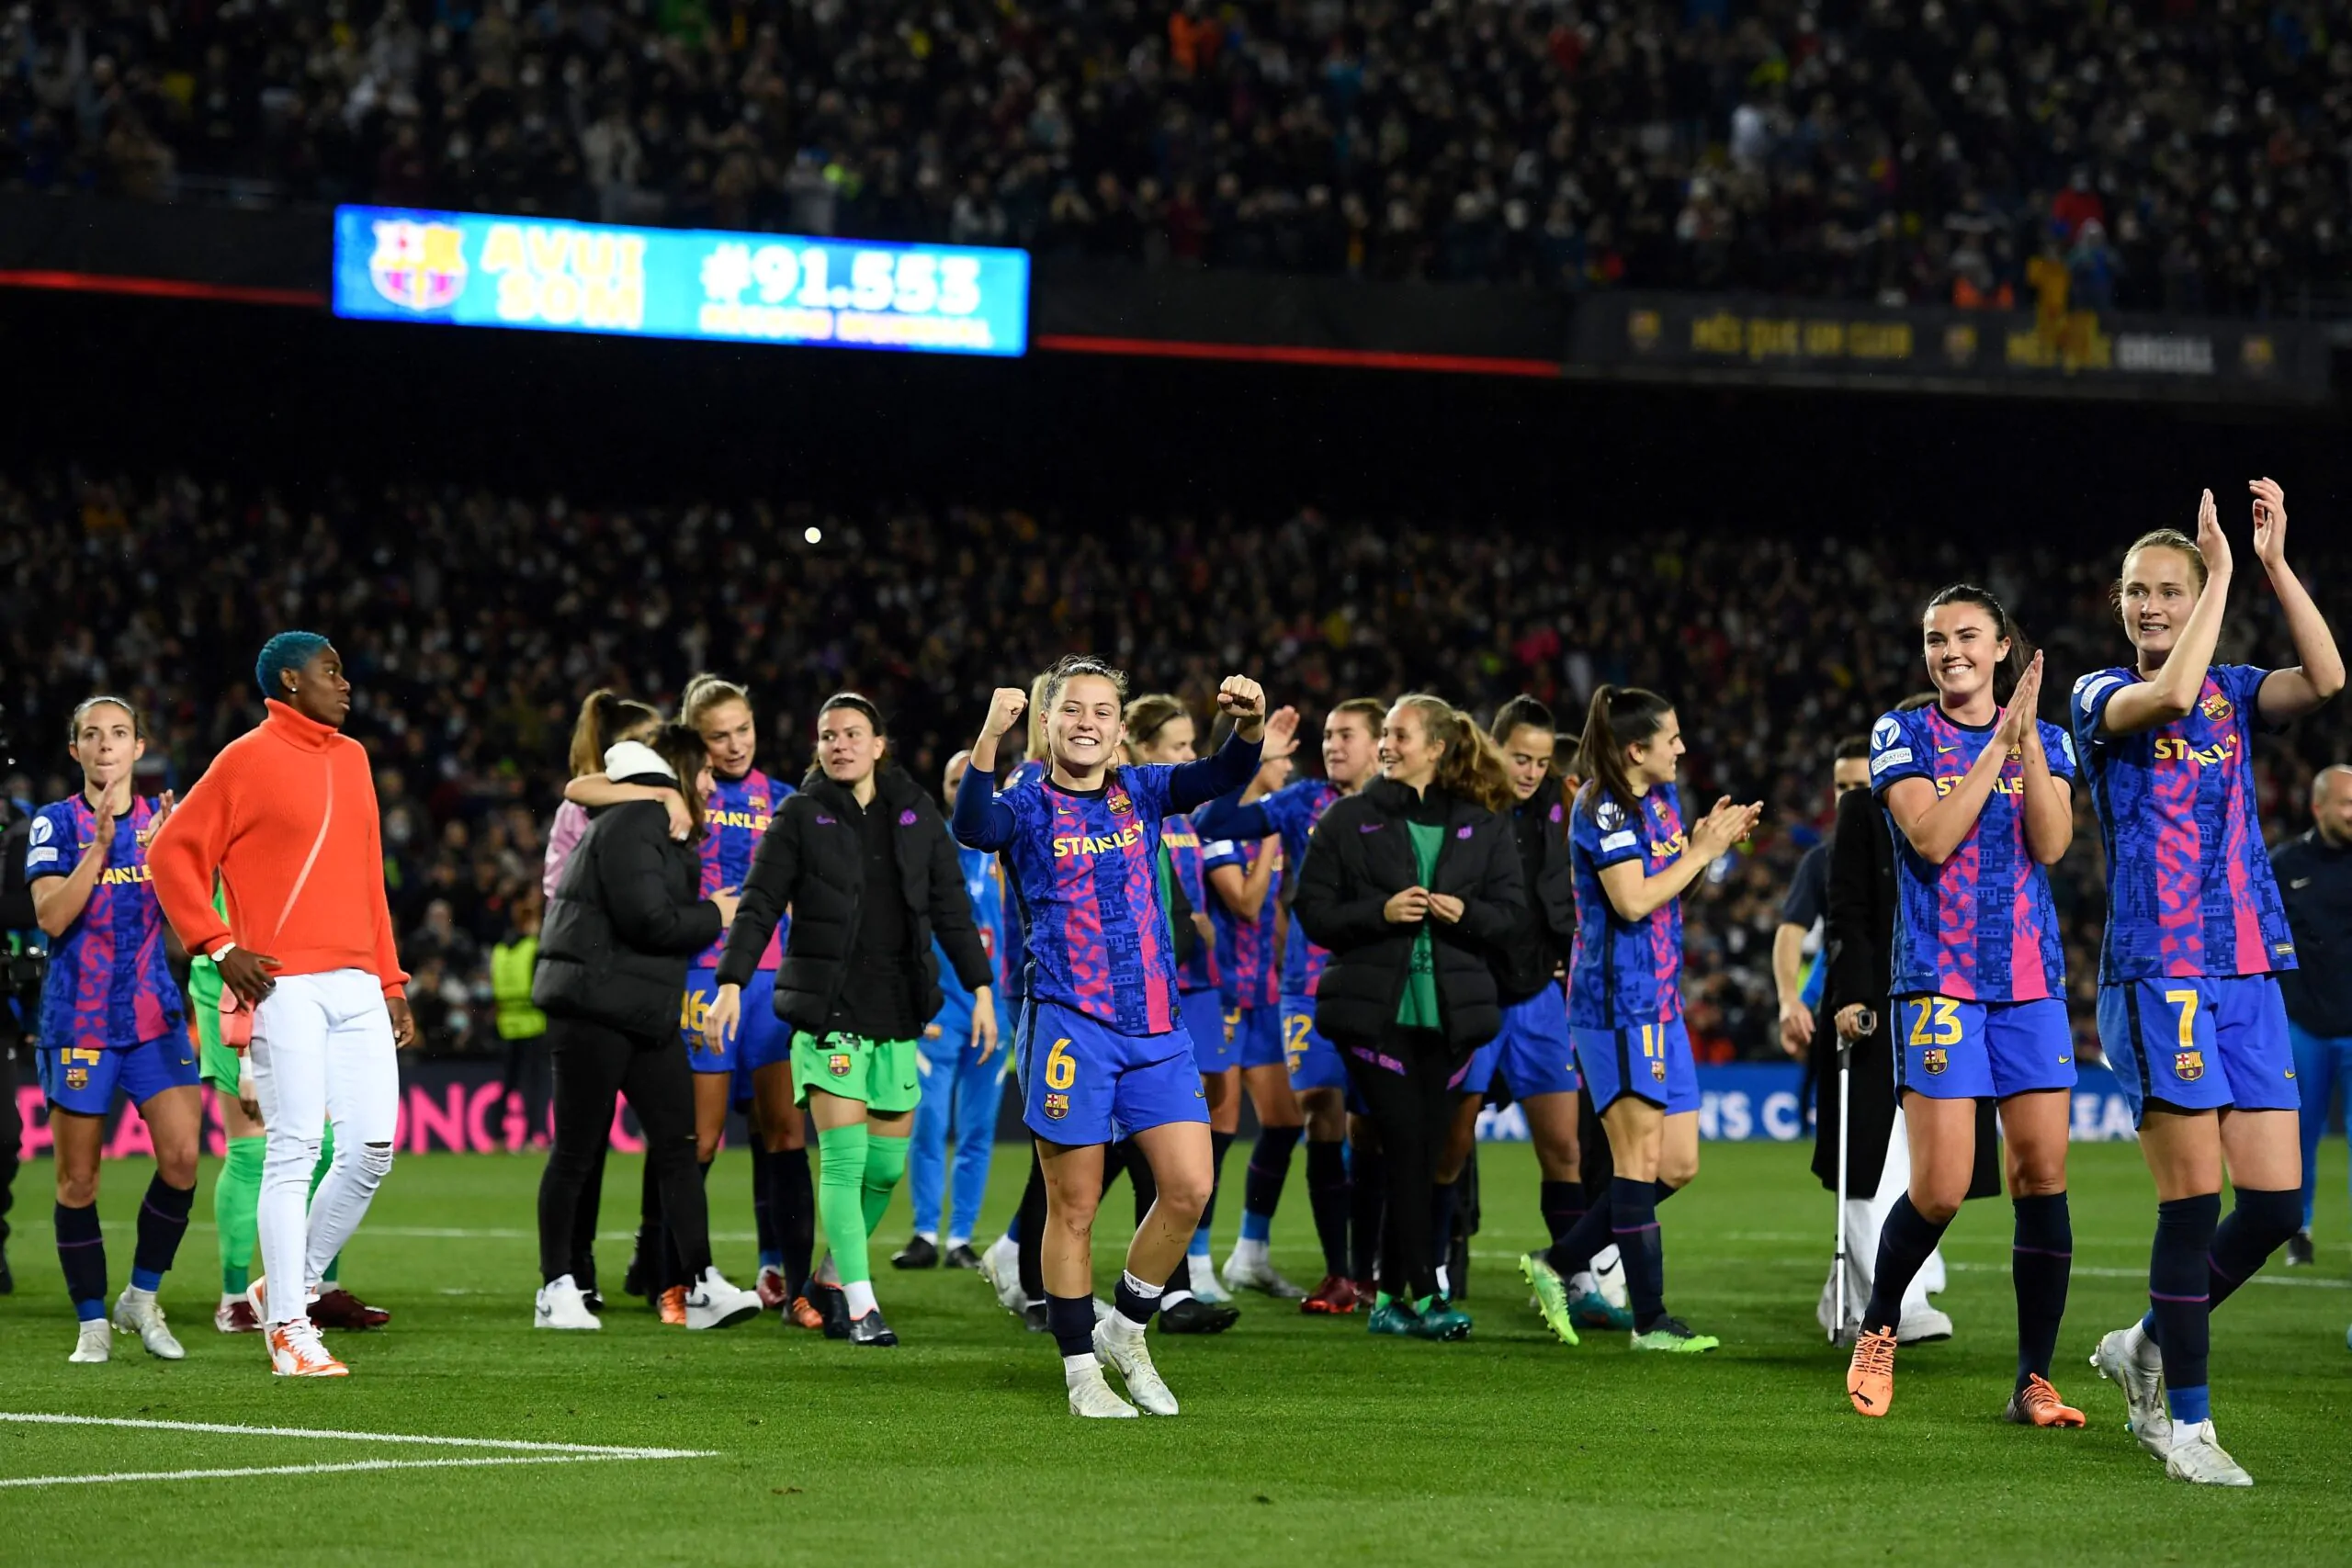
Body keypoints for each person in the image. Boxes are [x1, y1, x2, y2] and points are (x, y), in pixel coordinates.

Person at [2076, 482, 2344, 1487]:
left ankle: (2143, 1341)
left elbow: (2325, 678)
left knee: (2273, 1206)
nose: (2149, 605)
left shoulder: (2235, 686)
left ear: (2193, 605)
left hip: (2245, 968)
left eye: (2167, 591)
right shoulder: (2098, 698)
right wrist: (2220, 571)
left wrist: (2269, 565)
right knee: (2189, 1208)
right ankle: (2183, 1424)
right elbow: (2172, 698)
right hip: (2159, 977)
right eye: (2136, 592)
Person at [952, 657, 1273, 1417]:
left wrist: (1251, 725)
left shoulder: (1145, 790)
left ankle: (1125, 1331)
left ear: (1120, 728)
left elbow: (1224, 771)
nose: (1086, 722)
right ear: (1049, 723)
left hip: (1157, 1026)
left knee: (1190, 1186)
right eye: (1071, 710)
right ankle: (1079, 1372)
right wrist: (989, 738)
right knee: (1076, 1206)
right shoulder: (1027, 803)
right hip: (1070, 1026)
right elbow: (972, 825)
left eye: (1101, 711)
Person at [1842, 587, 2084, 1428]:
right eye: (1935, 637)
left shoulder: (2049, 740)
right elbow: (1932, 838)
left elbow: (2051, 844)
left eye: (1967, 636)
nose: (1949, 649)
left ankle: (2032, 1380)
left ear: (2002, 648)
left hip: (2030, 984)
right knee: (1940, 1189)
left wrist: (2029, 745)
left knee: (2042, 1177)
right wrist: (1999, 745)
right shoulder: (1899, 734)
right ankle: (1878, 1327)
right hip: (1938, 983)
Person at [149, 633, 417, 1378]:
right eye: (331, 671)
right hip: (281, 982)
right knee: (293, 1148)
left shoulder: (354, 757)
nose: (346, 682)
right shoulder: (245, 758)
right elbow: (172, 850)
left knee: (371, 1149)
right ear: (291, 681)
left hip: (359, 982)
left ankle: (285, 1282)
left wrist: (392, 981)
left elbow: (370, 878)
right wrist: (213, 941)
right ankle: (290, 1328)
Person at [705, 694, 996, 1346]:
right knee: (842, 1159)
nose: (840, 744)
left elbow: (951, 908)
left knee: (885, 1169)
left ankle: (832, 1275)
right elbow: (757, 904)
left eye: (853, 733)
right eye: (828, 735)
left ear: (878, 743)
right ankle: (863, 1304)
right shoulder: (799, 815)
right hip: (827, 1011)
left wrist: (980, 987)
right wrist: (731, 979)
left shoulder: (918, 812)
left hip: (897, 1011)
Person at [1521, 686, 1760, 1354]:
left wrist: (1711, 845)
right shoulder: (1600, 806)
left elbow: (1672, 885)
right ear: (1636, 749)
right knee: (1635, 1161)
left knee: (1677, 1164)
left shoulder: (1658, 802)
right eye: (1673, 737)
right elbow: (1630, 901)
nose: (1682, 747)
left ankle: (1558, 1260)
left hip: (1660, 1001)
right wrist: (1701, 852)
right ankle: (1650, 1320)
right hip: (1614, 1005)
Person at [571, 674, 810, 1325]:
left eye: (744, 730)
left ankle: (795, 1283)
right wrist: (658, 790)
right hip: (701, 977)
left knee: (784, 1130)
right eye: (718, 735)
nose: (734, 746)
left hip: (770, 983)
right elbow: (578, 788)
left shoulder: (786, 799)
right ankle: (668, 1270)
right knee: (697, 1139)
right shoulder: (680, 796)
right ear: (694, 743)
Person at [1294, 694, 1524, 1341]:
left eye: (1399, 734)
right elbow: (1311, 910)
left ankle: (1389, 1295)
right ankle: (1425, 1294)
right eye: (1386, 734)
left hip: (1449, 1019)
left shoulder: (1481, 822)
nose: (1387, 744)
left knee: (1421, 1154)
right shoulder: (1347, 819)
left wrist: (1466, 914)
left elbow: (1512, 916)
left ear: (1438, 748)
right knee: (1408, 1147)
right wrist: (1379, 913)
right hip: (1375, 1018)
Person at [532, 728, 761, 1332]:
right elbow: (649, 920)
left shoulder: (655, 823)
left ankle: (701, 1281)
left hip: (639, 1011)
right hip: (595, 1010)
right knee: (577, 1153)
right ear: (682, 773)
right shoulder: (636, 821)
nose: (714, 783)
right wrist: (719, 912)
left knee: (678, 1147)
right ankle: (556, 1289)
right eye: (706, 771)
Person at [24, 696, 198, 1363]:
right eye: (92, 736)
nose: (105, 745)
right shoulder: (54, 823)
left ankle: (141, 1296)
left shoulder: (164, 823)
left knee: (182, 1160)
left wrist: (178, 858)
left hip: (154, 1018)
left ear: (138, 747)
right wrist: (98, 848)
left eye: (118, 734)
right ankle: (92, 1319)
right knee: (79, 1179)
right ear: (75, 751)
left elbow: (189, 935)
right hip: (80, 1022)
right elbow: (51, 917)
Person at [1197, 696, 1386, 1312]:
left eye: (1346, 735)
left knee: (1374, 1127)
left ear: (1380, 744)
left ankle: (1372, 1269)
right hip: (1309, 984)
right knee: (1320, 1115)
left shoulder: (1401, 806)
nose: (1332, 745)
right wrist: (1258, 763)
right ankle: (1338, 1273)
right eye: (1327, 735)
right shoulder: (1303, 800)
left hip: (1380, 984)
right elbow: (1211, 822)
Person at [1819, 703, 1994, 1348]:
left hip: (1958, 997)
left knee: (1938, 1162)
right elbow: (1851, 912)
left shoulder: (1985, 796)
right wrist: (1853, 995)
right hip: (1884, 1000)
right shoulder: (1865, 807)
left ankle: (1872, 1286)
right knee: (1873, 1158)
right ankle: (1900, 1299)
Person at [196, 875, 393, 1336]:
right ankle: (233, 1298)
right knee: (254, 1151)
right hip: (232, 989)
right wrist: (245, 1062)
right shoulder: (227, 816)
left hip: (304, 987)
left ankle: (314, 1288)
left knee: (330, 1149)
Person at [1434, 698, 1583, 1303]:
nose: (1530, 770)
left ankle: (1571, 1273)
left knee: (1564, 1147)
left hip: (1537, 997)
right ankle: (1435, 1264)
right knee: (1452, 1142)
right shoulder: (1465, 807)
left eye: (1542, 760)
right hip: (1473, 992)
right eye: (1520, 757)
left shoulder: (1560, 803)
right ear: (1495, 747)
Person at [537, 689, 666, 1312]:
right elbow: (559, 889)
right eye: (649, 740)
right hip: (595, 990)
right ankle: (572, 1270)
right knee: (582, 1145)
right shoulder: (583, 808)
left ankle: (655, 1256)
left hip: (643, 987)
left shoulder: (665, 806)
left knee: (673, 1133)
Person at [1126, 694, 1244, 1329]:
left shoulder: (1184, 820)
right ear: (1143, 750)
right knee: (1103, 1157)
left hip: (1187, 987)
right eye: (1176, 745)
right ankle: (1020, 1257)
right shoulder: (1136, 810)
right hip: (1125, 996)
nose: (1187, 755)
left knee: (1168, 1142)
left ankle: (1174, 1284)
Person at [898, 750, 1015, 1273]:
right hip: (940, 1009)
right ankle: (925, 1232)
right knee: (927, 1124)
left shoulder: (1011, 850)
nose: (963, 784)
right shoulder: (931, 848)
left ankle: (960, 1237)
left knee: (977, 1129)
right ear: (947, 791)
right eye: (954, 778)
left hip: (998, 1010)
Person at [2273, 763, 2352, 1266]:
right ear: (2319, 807)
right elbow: (2271, 942)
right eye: (2345, 804)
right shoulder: (2286, 864)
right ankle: (2296, 1228)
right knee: (2297, 1134)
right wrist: (2291, 1004)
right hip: (2303, 1025)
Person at [1776, 738, 1870, 1064]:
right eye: (1842, 786)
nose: (1849, 795)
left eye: (1861, 785)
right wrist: (1790, 999)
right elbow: (1790, 931)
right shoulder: (1821, 861)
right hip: (1842, 1013)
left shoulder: (1913, 852)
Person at [494, 892, 550, 1149]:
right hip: (532, 1024)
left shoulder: (500, 951)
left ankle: (497, 1137)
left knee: (508, 1085)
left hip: (507, 1024)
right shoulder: (532, 949)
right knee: (534, 1086)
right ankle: (531, 1137)